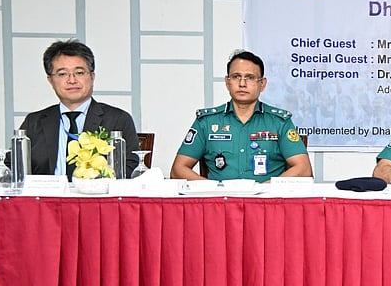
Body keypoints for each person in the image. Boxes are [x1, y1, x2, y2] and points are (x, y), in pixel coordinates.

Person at [171, 50, 312, 181]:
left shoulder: (279, 122)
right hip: (221, 198)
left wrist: (265, 190)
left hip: (266, 198)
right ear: (227, 82)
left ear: (262, 84)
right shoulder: (207, 122)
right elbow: (178, 170)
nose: (242, 83)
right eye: (236, 77)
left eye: (250, 77)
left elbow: (304, 169)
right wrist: (212, 189)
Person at [18, 39, 140, 178]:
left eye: (79, 73)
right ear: (50, 80)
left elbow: (130, 169)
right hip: (48, 192)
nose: (72, 80)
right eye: (62, 74)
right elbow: (14, 167)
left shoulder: (118, 120)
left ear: (92, 76)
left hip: (96, 191)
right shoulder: (34, 122)